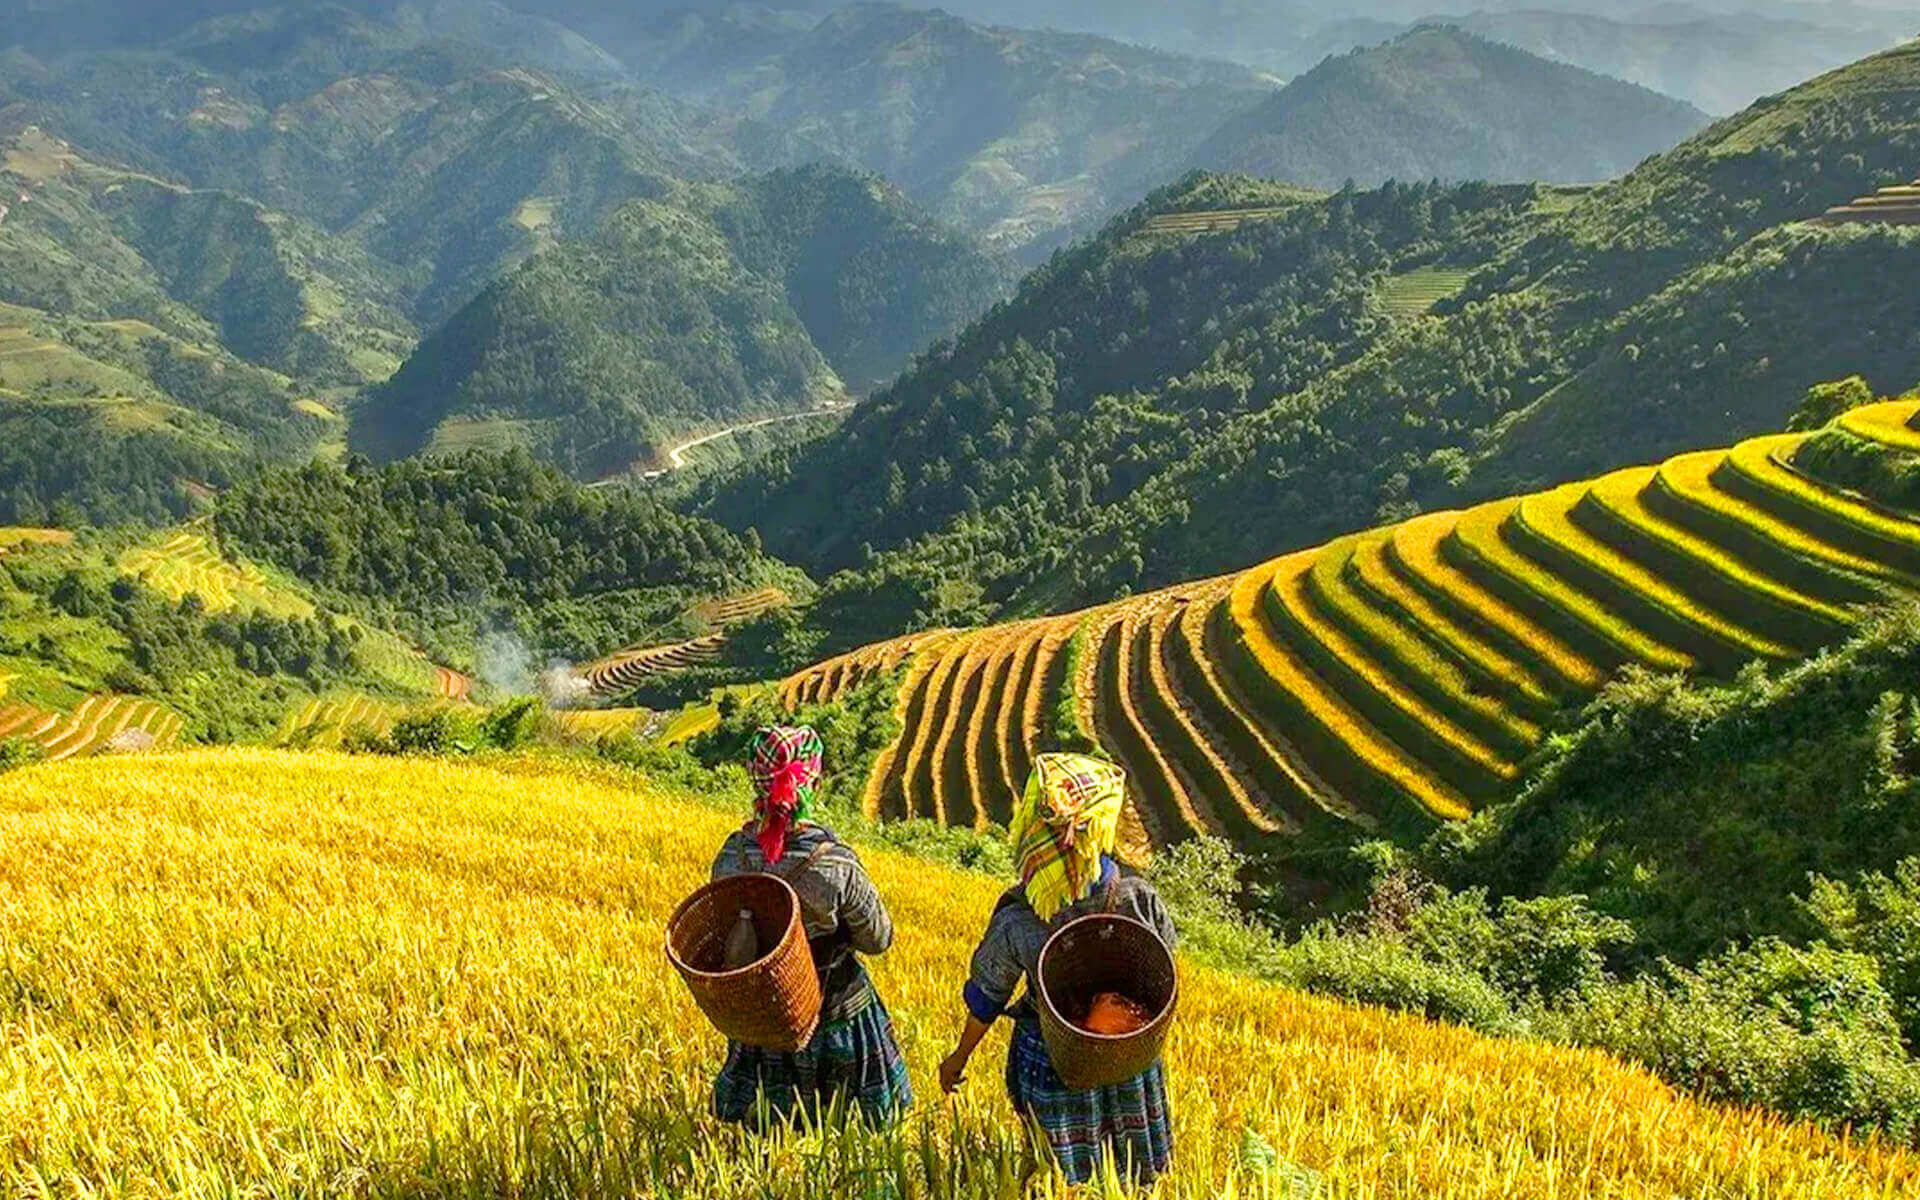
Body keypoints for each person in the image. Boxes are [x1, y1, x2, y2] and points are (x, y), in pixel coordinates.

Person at [939, 753, 1176, 1185]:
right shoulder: (1139, 900)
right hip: (1127, 1055)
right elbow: (1164, 974)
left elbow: (986, 998)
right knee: (1130, 1174)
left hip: (1054, 1057)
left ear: (1032, 829)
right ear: (1100, 829)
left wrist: (957, 1059)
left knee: (1059, 1177)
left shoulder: (1020, 919)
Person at [709, 724, 913, 1128]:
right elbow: (878, 938)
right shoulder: (834, 865)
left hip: (766, 1017)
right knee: (852, 1133)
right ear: (812, 783)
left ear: (756, 781)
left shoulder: (731, 858)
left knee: (769, 1135)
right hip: (836, 1014)